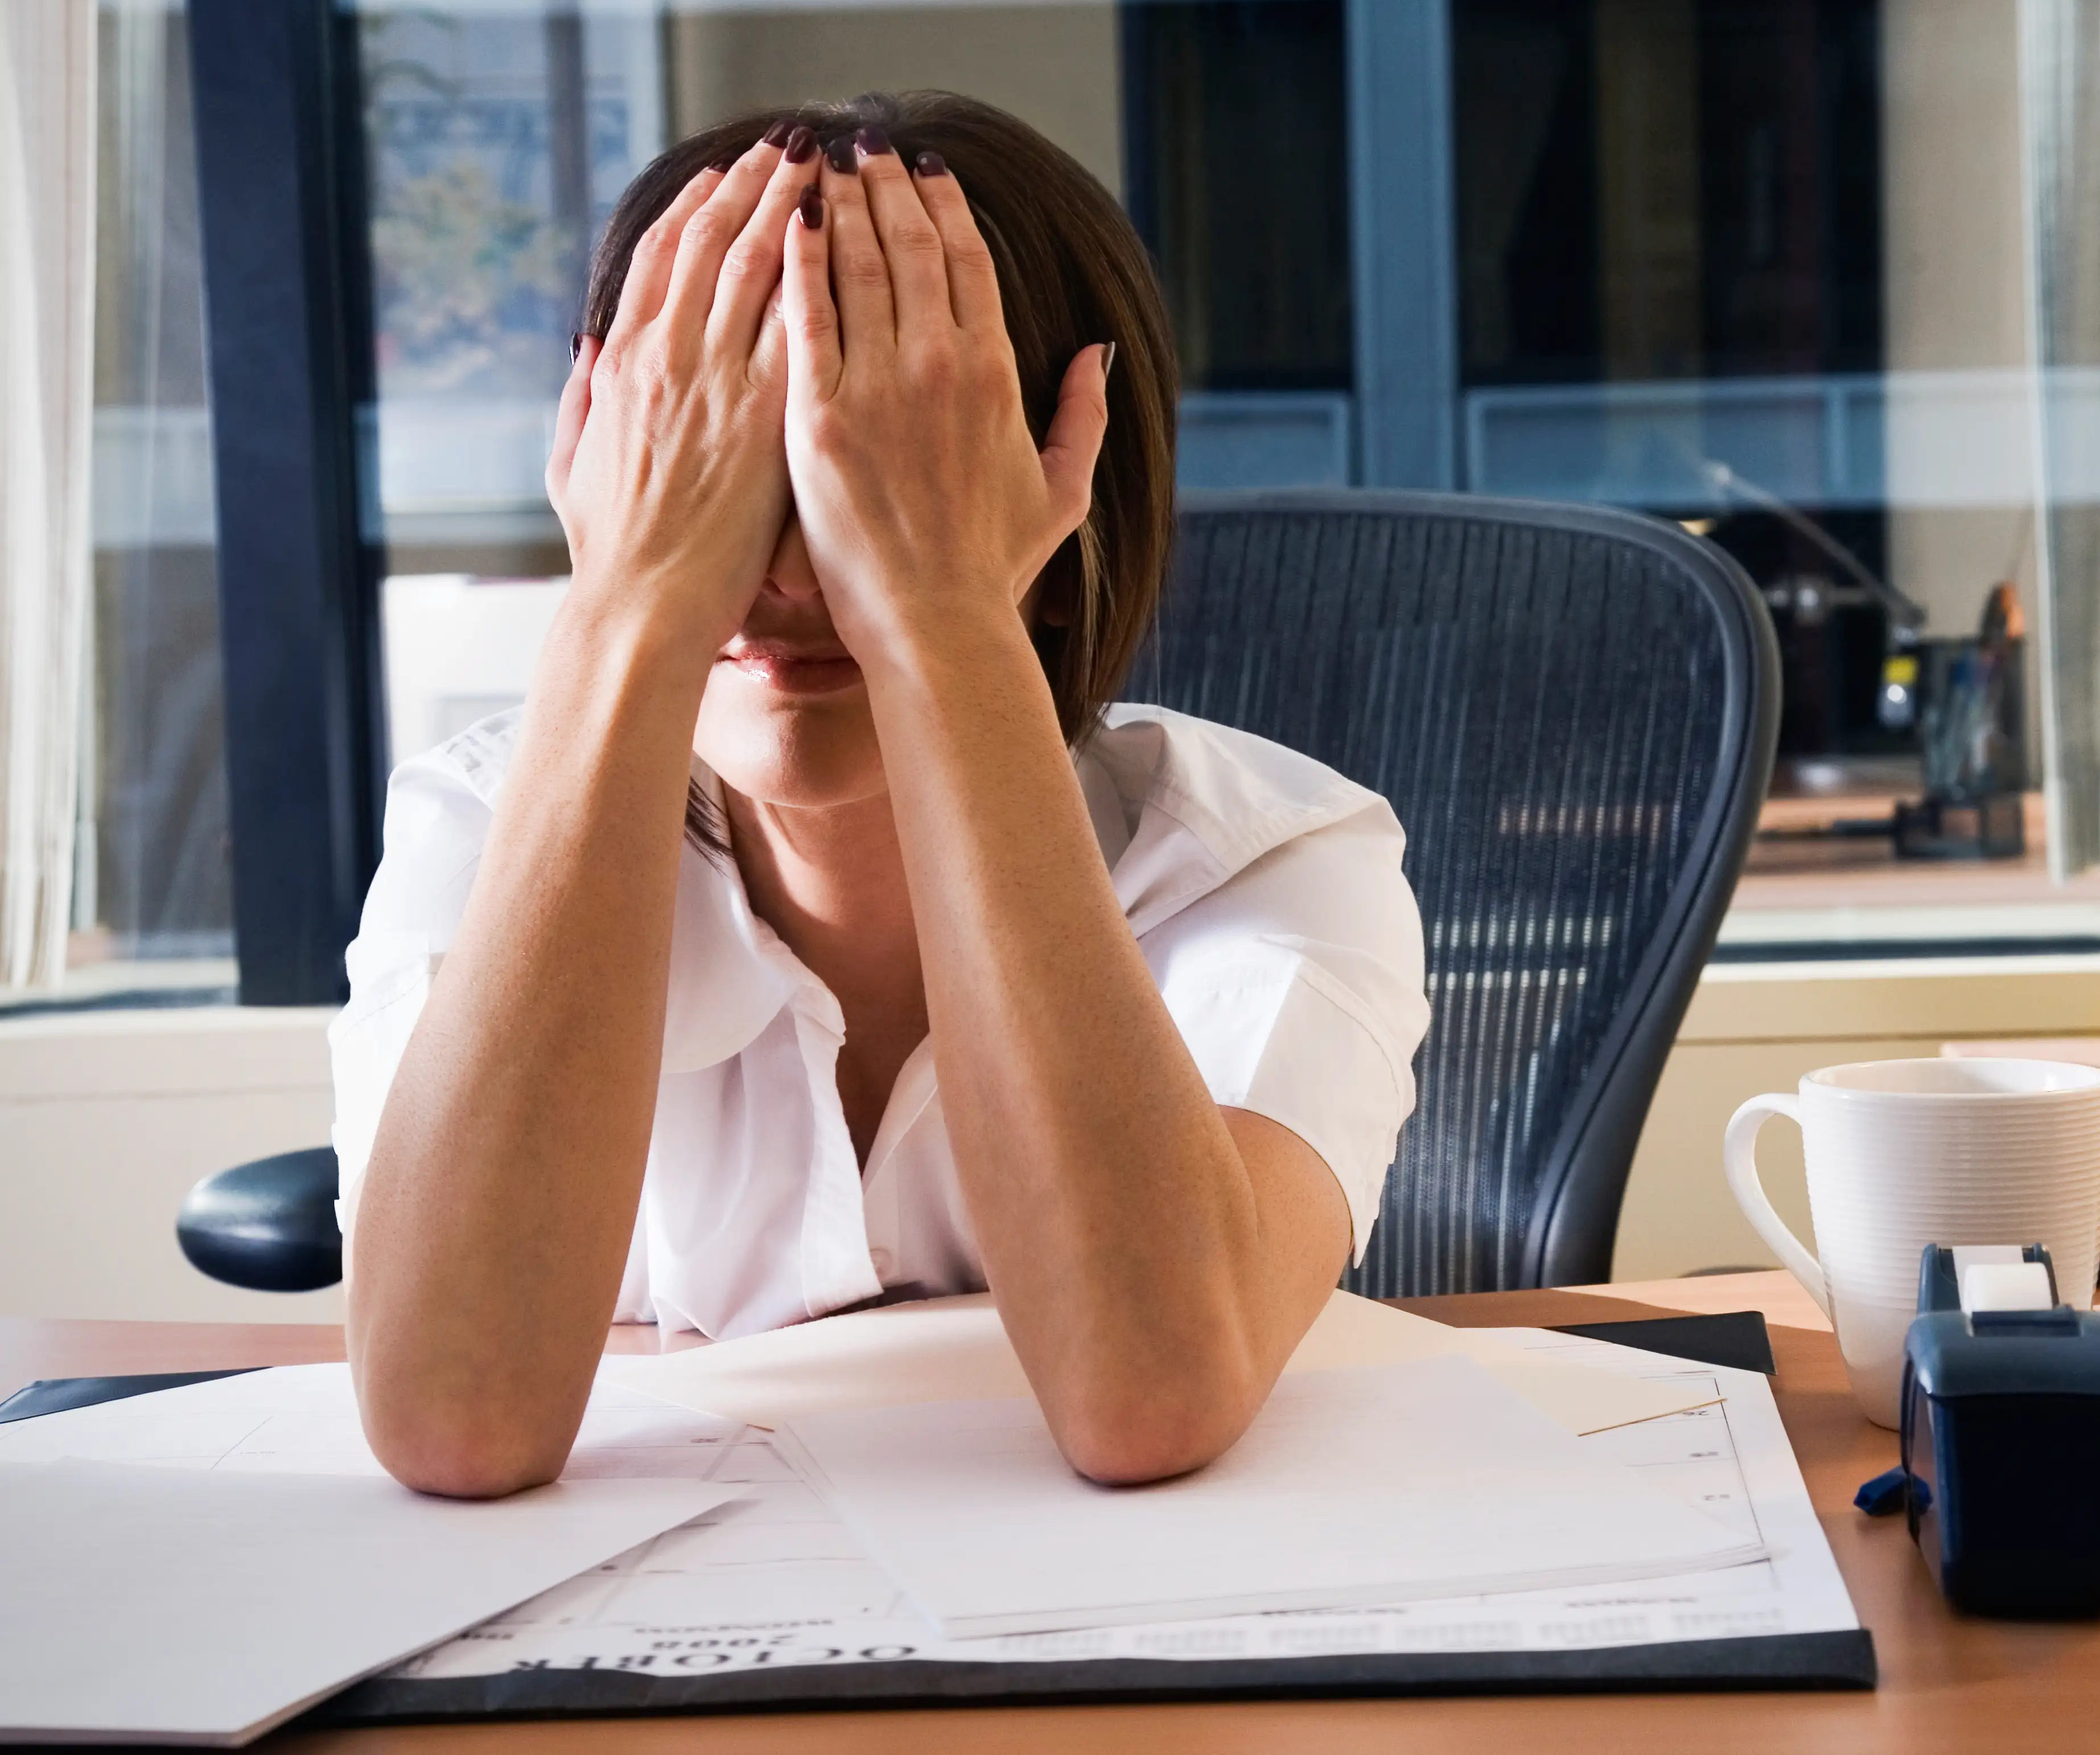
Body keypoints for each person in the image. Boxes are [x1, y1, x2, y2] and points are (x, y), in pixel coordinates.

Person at [328, 92, 1430, 1498]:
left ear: (1068, 484)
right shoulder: (480, 832)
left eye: (876, 468)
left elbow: (1152, 1392)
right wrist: (631, 605)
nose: (785, 575)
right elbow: (455, 1419)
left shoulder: (1279, 861)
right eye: (726, 464)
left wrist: (940, 617)